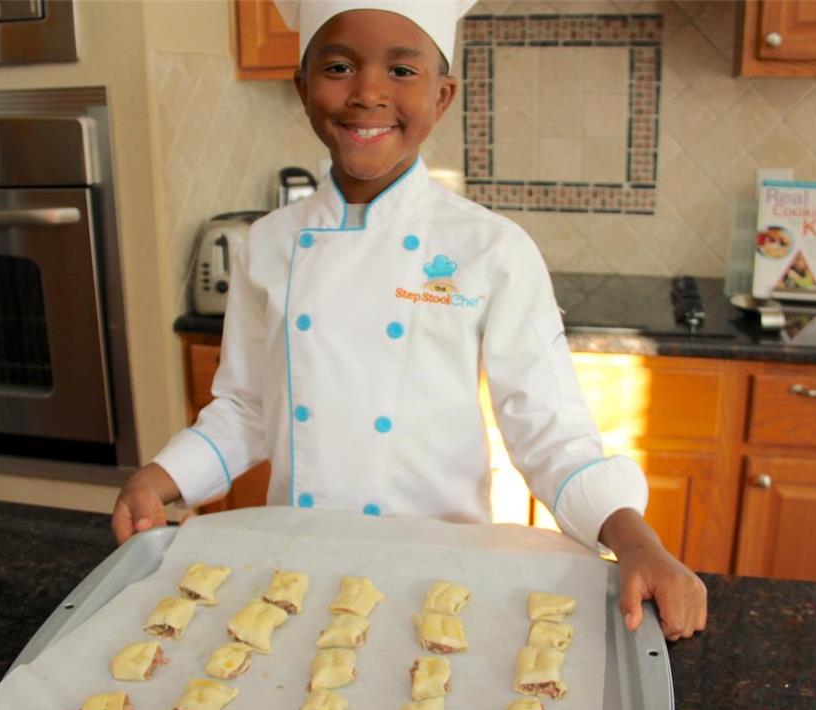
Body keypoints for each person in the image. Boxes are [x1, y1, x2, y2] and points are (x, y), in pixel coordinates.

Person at [112, 0, 707, 642]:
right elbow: (250, 409)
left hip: (440, 579)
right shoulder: (269, 243)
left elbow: (549, 431)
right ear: (303, 87)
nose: (367, 93)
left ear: (444, 95)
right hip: (294, 572)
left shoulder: (492, 250)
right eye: (338, 66)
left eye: (402, 71)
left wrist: (636, 541)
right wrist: (162, 476)